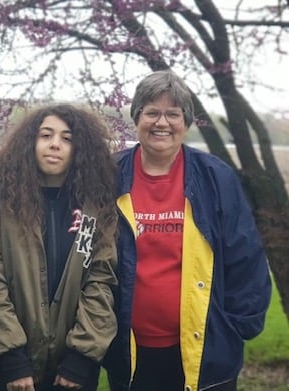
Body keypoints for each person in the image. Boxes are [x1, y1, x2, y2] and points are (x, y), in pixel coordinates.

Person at [103, 70, 272, 391]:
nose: (161, 123)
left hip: (205, 352)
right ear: (137, 118)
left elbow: (246, 256)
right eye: (151, 112)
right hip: (128, 351)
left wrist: (235, 328)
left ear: (187, 122)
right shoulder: (109, 175)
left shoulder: (216, 178)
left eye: (173, 114)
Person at [0, 104, 119, 391]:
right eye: (46, 135)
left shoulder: (94, 209)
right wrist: (11, 356)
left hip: (73, 373)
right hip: (13, 372)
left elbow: (100, 282)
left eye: (67, 138)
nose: (55, 144)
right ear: (30, 142)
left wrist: (81, 357)